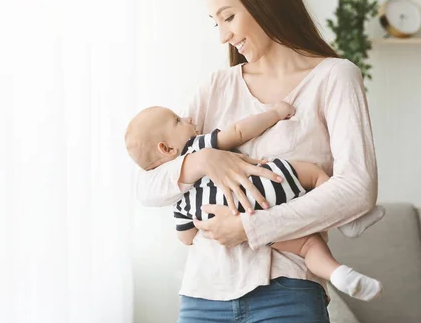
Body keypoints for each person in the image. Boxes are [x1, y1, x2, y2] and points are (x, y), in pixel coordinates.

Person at [134, 0, 384, 323]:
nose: (222, 36)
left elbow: (357, 187)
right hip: (203, 296)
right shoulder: (218, 86)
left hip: (287, 294)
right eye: (215, 22)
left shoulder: (335, 78)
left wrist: (250, 228)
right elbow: (147, 185)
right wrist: (201, 160)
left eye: (228, 17)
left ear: (264, 1)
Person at [125, 103, 383, 301]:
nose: (189, 118)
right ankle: (351, 221)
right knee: (314, 174)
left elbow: (187, 238)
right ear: (167, 149)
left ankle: (338, 274)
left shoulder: (181, 204)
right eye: (178, 121)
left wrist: (205, 224)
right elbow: (238, 131)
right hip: (265, 185)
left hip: (247, 224)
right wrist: (275, 113)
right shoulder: (198, 145)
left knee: (307, 247)